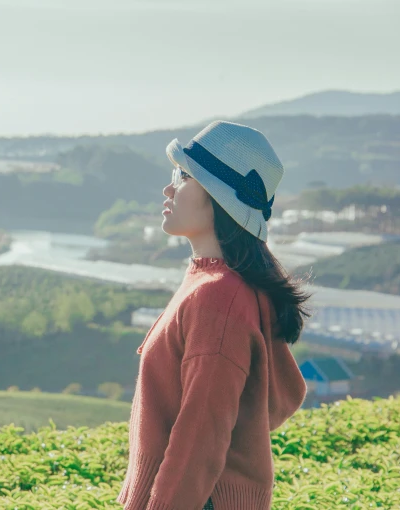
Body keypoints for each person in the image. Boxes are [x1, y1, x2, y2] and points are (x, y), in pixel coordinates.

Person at [116, 120, 312, 510]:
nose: (168, 188)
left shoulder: (218, 296)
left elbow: (200, 438)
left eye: (184, 176)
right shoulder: (214, 281)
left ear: (219, 198)